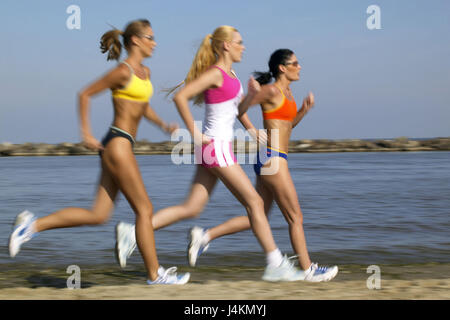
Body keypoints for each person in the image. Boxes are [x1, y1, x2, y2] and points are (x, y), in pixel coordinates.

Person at [115, 26, 306, 282]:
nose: (244, 46)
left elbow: (234, 110)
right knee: (256, 203)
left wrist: (249, 117)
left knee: (192, 207)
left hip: (213, 149)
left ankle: (133, 231)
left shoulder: (232, 75)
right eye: (240, 42)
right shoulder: (215, 74)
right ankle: (275, 262)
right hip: (215, 147)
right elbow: (181, 97)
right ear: (226, 45)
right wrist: (194, 134)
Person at [8, 19, 190, 285]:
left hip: (121, 144)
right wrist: (86, 134)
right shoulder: (123, 71)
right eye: (150, 37)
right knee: (145, 209)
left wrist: (162, 124)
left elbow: (142, 105)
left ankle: (32, 226)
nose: (155, 42)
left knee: (99, 215)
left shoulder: (145, 72)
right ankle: (155, 275)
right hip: (117, 144)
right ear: (136, 40)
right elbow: (85, 94)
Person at [187, 49, 338, 282]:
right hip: (273, 157)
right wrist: (251, 129)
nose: (300, 67)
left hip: (272, 157)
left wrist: (303, 111)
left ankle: (205, 236)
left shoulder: (287, 93)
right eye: (296, 63)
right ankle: (308, 270)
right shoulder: (270, 91)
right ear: (282, 68)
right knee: (295, 217)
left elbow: (287, 127)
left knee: (257, 217)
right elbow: (239, 109)